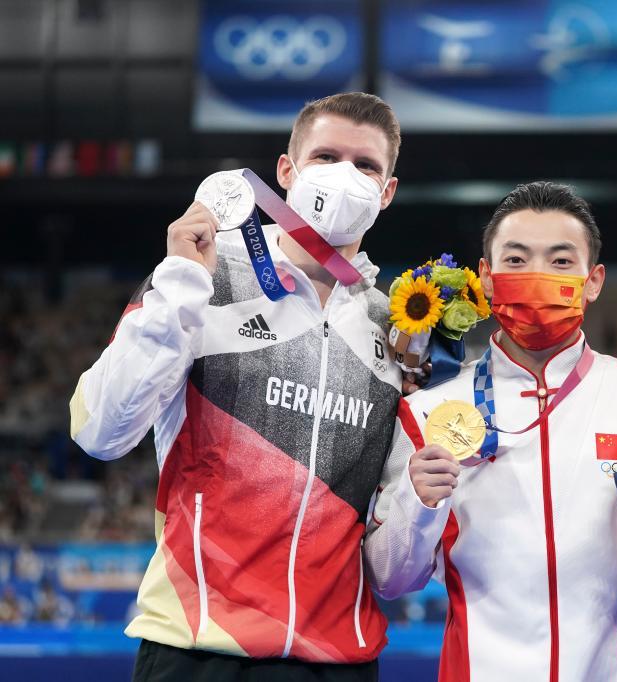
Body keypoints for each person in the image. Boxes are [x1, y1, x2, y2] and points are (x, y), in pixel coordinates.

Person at [69, 92, 404, 681]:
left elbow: (390, 545)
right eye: (326, 157)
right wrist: (178, 287)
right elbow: (99, 431)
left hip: (338, 661)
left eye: (366, 166)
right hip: (197, 648)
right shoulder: (203, 274)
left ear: (387, 192)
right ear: (286, 171)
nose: (344, 176)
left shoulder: (394, 325)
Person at [365, 181, 617, 682]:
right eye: (516, 260)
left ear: (593, 280)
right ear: (486, 277)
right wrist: (417, 503)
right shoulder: (428, 410)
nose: (537, 276)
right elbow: (389, 578)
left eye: (560, 261)